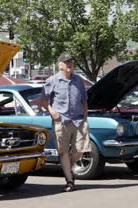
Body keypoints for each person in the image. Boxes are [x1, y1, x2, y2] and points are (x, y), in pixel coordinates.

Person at [42, 53, 91, 192]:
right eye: (67, 62)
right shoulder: (52, 80)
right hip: (61, 121)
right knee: (63, 152)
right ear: (60, 65)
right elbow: (44, 100)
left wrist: (85, 118)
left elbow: (84, 100)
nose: (70, 64)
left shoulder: (78, 80)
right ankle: (70, 181)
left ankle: (67, 169)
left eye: (71, 62)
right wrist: (52, 112)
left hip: (79, 120)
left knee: (80, 151)